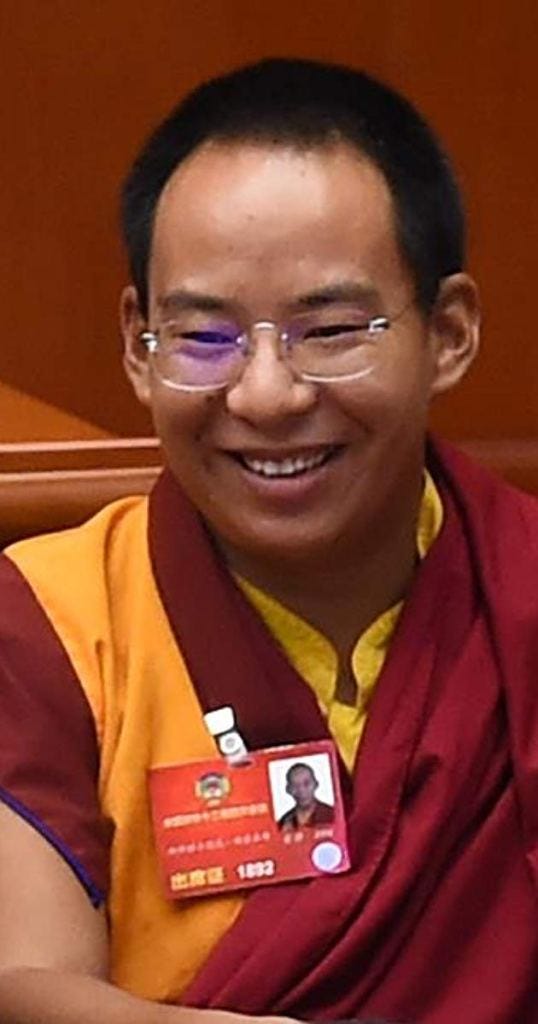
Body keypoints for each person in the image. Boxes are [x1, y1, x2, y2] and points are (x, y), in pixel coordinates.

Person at [0, 55, 536, 1024]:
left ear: (449, 332)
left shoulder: (524, 587)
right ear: (138, 346)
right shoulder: (53, 620)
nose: (265, 394)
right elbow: (19, 982)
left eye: (329, 331)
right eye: (204, 337)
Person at [277, 763, 334, 829]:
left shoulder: (332, 815)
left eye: (306, 784)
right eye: (295, 785)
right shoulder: (283, 823)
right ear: (288, 789)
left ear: (316, 784)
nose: (301, 790)